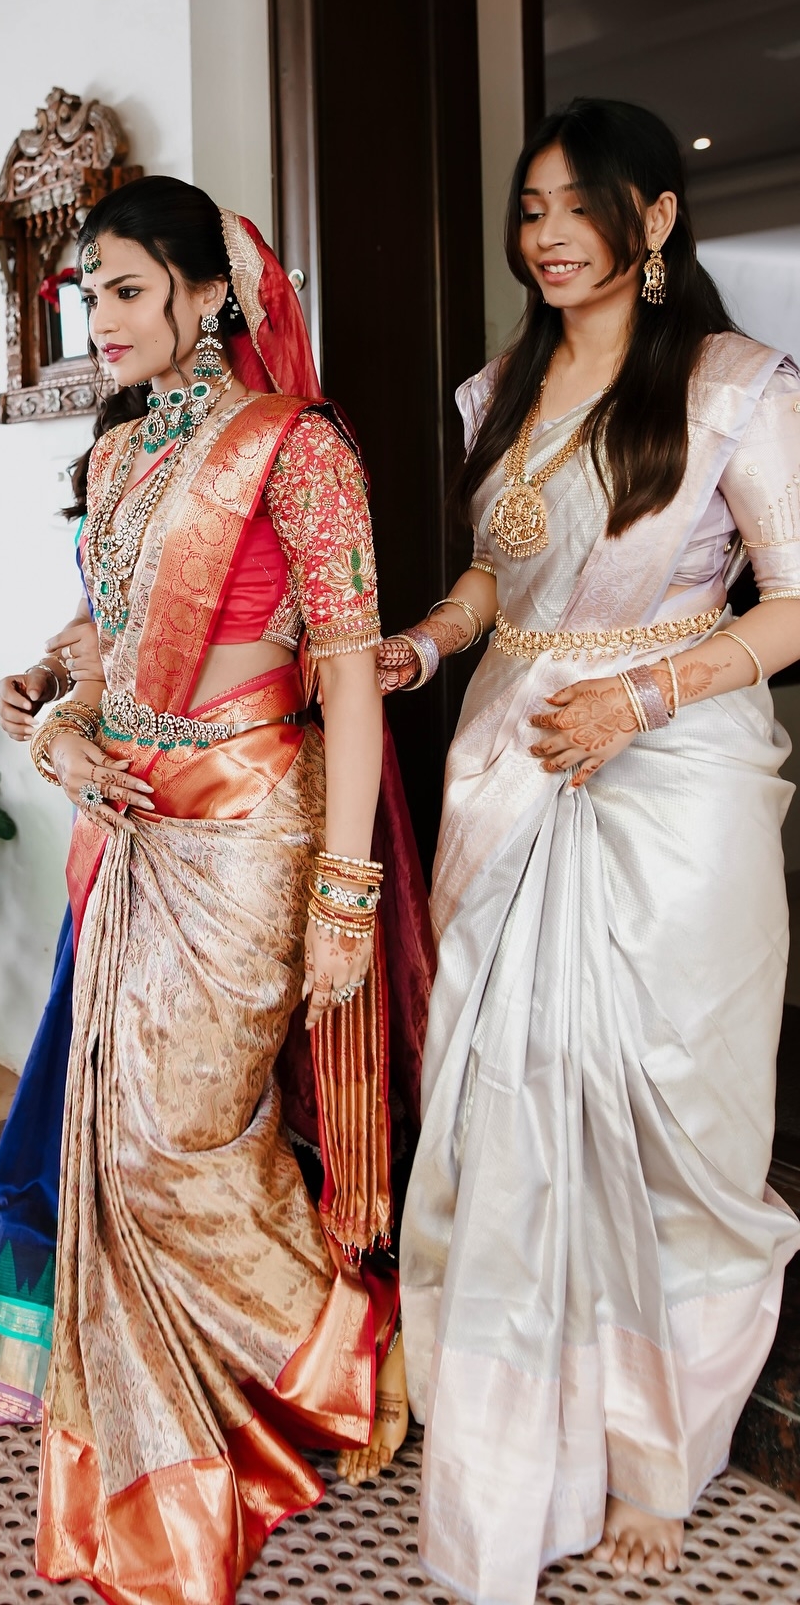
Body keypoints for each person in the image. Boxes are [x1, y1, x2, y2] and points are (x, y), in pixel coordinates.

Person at [0, 175, 433, 1605]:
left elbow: (347, 675)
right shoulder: (117, 453)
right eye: (86, 295)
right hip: (128, 826)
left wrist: (346, 892)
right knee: (122, 1145)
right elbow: (111, 642)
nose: (98, 320)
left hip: (247, 829)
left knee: (185, 1138)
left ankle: (346, 1357)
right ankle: (188, 1436)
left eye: (124, 289)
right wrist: (54, 722)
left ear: (208, 290)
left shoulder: (299, 447)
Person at [384, 98, 800, 1604]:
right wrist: (424, 649)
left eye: (578, 205)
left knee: (670, 1113)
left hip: (674, 782)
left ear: (656, 218)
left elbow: (796, 604)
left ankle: (653, 1458)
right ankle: (520, 1458)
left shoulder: (737, 387)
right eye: (531, 208)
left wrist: (638, 698)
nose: (548, 235)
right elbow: (496, 582)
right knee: (508, 1101)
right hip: (509, 766)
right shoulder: (501, 387)